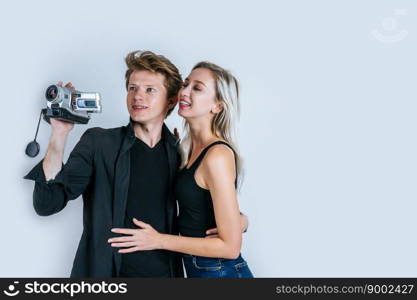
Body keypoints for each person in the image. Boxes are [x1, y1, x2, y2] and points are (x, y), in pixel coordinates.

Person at [24, 50, 248, 278]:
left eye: (150, 90)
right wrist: (59, 135)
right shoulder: (99, 143)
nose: (137, 96)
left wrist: (240, 219)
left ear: (171, 100)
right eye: (132, 88)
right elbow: (46, 204)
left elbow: (202, 205)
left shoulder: (179, 151)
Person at [109, 62, 253, 278]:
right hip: (198, 269)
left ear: (217, 106)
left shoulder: (217, 155)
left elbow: (230, 248)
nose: (184, 92)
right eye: (186, 84)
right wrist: (241, 219)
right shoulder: (184, 149)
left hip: (221, 271)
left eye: (197, 88)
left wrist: (157, 240)